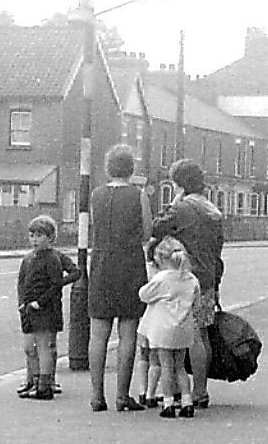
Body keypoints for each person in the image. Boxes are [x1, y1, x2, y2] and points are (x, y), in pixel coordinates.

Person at [150, 157, 226, 409]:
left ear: (179, 184)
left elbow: (157, 226)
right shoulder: (211, 209)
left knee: (186, 336)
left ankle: (181, 392)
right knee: (201, 334)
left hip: (184, 278)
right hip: (207, 277)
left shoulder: (183, 209)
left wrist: (175, 200)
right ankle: (200, 391)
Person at [86, 143, 154, 411]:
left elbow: (96, 225)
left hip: (101, 264)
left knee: (98, 334)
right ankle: (122, 396)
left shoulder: (96, 195)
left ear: (107, 168)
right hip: (129, 265)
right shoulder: (138, 195)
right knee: (128, 333)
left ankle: (96, 396)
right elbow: (147, 233)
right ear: (131, 168)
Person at [16, 213, 80, 401]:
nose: (34, 240)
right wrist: (21, 302)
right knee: (29, 347)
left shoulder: (53, 258)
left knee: (45, 346)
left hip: (45, 309)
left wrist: (41, 301)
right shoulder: (28, 259)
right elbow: (21, 282)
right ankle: (34, 380)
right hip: (28, 309)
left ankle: (45, 385)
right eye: (32, 235)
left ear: (50, 237)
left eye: (39, 236)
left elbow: (58, 283)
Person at [138, 236, 200, 417]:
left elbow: (144, 295)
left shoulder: (162, 278)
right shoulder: (191, 279)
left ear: (161, 259)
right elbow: (196, 304)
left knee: (166, 367)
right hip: (184, 329)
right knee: (180, 367)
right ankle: (187, 402)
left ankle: (168, 403)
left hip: (163, 331)